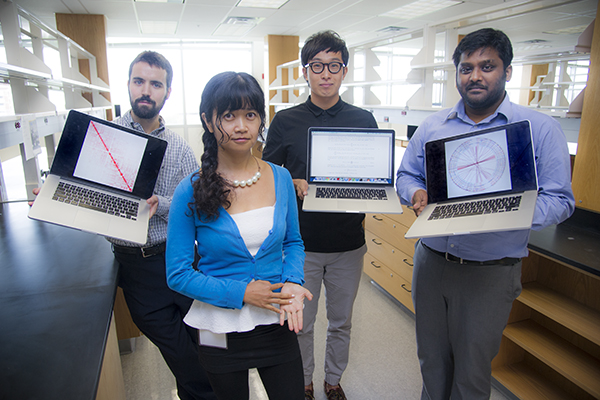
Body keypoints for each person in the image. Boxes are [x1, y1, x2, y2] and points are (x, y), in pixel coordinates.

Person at [396, 28, 575, 400]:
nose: (475, 76)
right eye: (466, 68)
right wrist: (416, 191)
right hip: (431, 264)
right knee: (431, 361)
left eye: (487, 66)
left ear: (507, 71)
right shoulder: (433, 126)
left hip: (490, 271)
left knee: (472, 372)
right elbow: (406, 174)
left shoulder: (540, 129)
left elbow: (560, 199)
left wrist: (506, 213)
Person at [165, 71, 313, 400]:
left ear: (261, 120)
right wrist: (243, 292)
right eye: (228, 116)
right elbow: (177, 274)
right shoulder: (189, 190)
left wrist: (292, 280)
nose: (241, 126)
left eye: (251, 115)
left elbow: (293, 242)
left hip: (276, 319)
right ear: (208, 120)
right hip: (218, 327)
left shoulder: (280, 177)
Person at [262, 30, 378, 400]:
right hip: (301, 245)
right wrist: (291, 180)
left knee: (341, 322)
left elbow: (375, 177)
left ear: (344, 71)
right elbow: (266, 177)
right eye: (317, 66)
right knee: (302, 322)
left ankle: (333, 380)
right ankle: (305, 382)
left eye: (334, 66)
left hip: (348, 242)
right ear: (305, 71)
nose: (325, 74)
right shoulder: (286, 121)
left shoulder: (363, 120)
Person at [109, 51, 216, 400]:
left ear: (167, 92)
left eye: (156, 84)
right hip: (136, 266)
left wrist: (161, 204)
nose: (146, 90)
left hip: (178, 259)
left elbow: (195, 209)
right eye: (139, 81)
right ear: (127, 85)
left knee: (206, 344)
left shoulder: (180, 149)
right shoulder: (106, 139)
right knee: (181, 354)